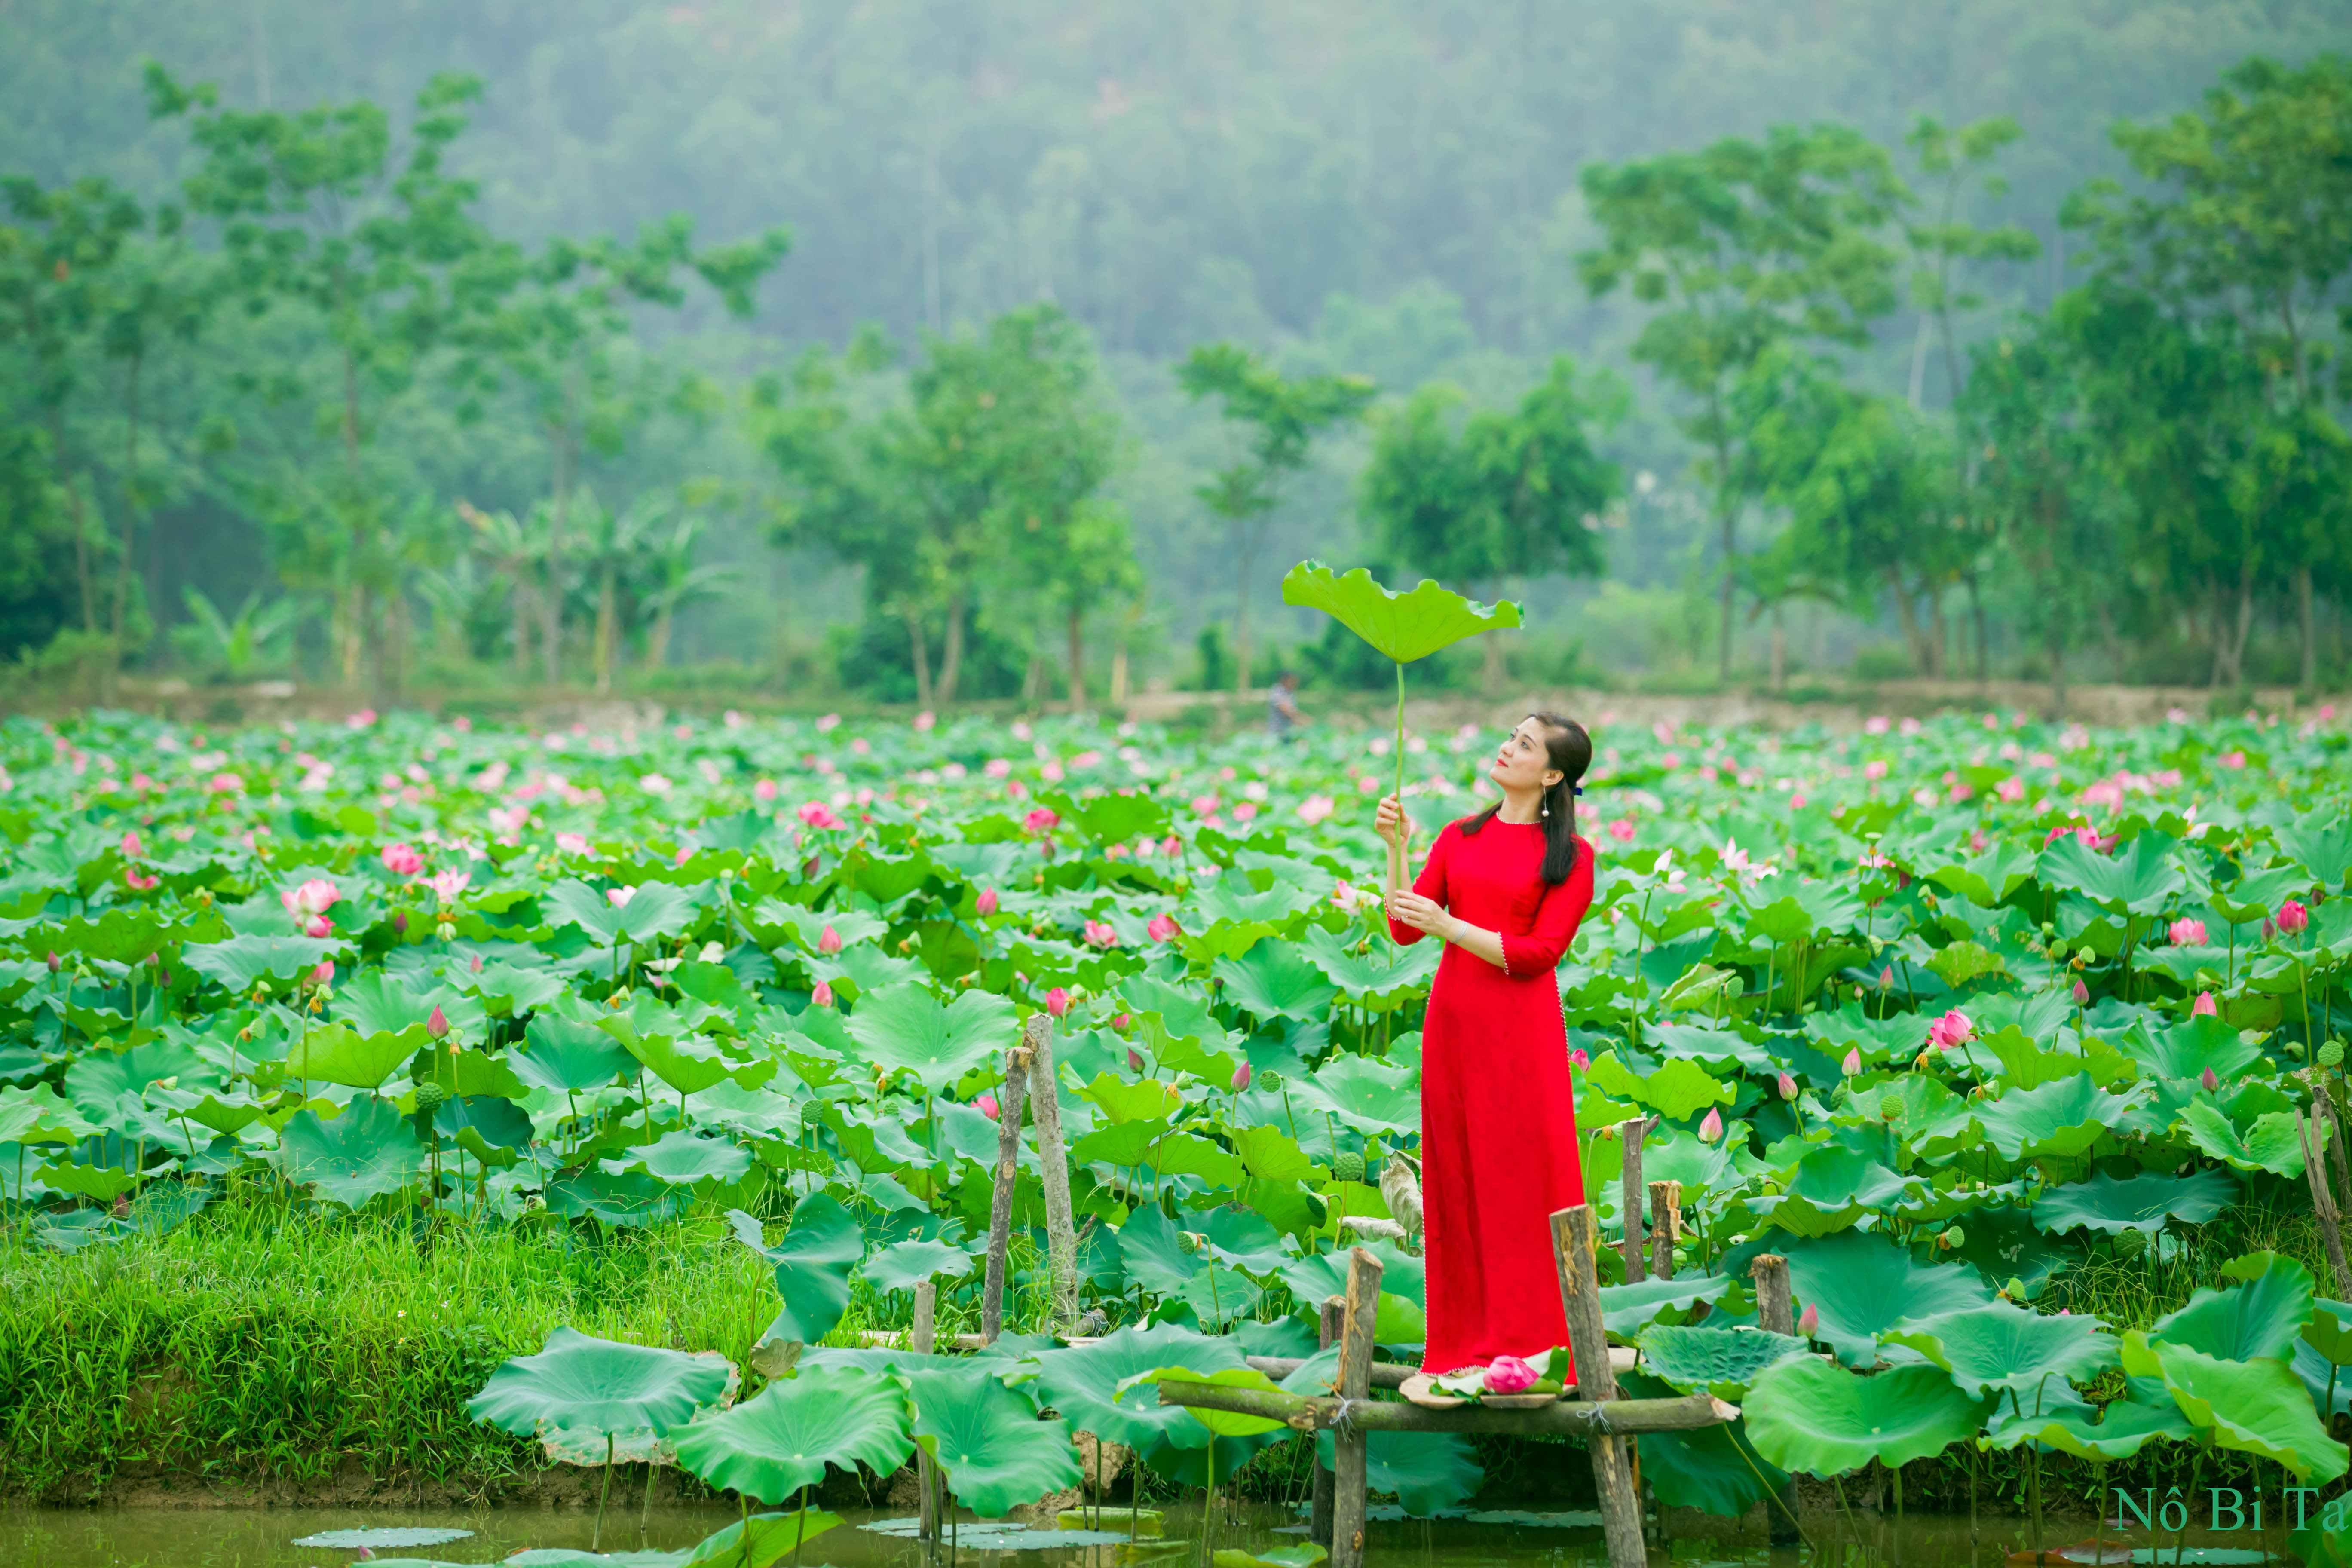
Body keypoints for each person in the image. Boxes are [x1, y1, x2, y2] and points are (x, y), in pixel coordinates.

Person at [1375, 712, 1596, 1377]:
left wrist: (1453, 925)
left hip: (1521, 1031)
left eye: (1525, 745)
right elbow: (1406, 930)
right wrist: (1397, 848)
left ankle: (1539, 1342)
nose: (1507, 748)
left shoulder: (1573, 858)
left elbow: (1538, 954)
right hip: (1455, 1025)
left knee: (1525, 1175)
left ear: (1553, 774)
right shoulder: (1459, 836)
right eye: (1511, 736)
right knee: (1461, 1176)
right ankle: (1462, 1348)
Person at [1266, 671, 1307, 738]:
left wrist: (1307, 719)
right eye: (1292, 681)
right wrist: (1304, 723)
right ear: (1284, 681)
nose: (1295, 684)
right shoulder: (1277, 692)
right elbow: (1287, 712)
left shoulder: (1290, 693)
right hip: (1276, 733)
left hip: (1287, 732)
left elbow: (1294, 711)